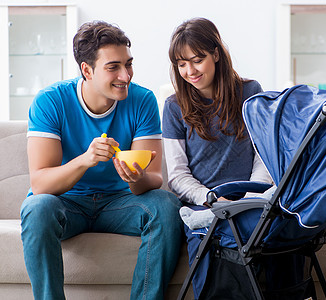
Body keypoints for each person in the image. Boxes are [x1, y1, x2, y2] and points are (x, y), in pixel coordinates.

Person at [20, 20, 183, 300]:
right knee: (37, 207)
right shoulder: (51, 101)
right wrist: (85, 160)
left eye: (128, 64)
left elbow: (155, 178)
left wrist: (136, 178)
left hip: (120, 204)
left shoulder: (142, 100)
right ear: (87, 70)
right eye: (113, 67)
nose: (126, 75)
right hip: (67, 203)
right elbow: (41, 182)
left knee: (167, 205)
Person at [162, 17, 272, 299]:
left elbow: (264, 156)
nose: (190, 71)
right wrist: (211, 198)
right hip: (205, 206)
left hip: (251, 199)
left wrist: (248, 197)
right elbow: (177, 175)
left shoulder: (249, 92)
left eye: (197, 60)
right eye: (181, 64)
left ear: (216, 53)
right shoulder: (174, 107)